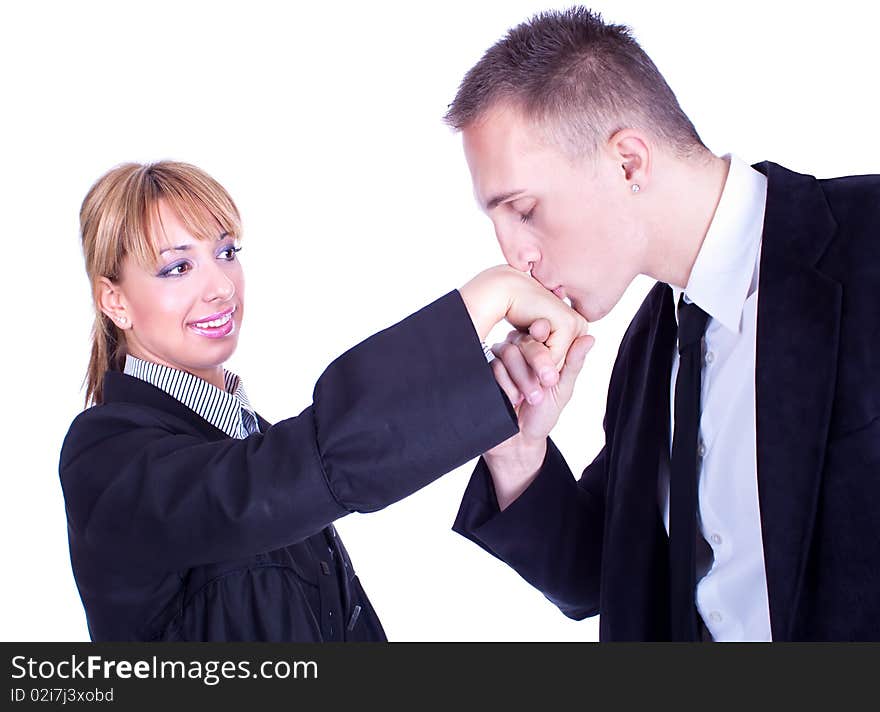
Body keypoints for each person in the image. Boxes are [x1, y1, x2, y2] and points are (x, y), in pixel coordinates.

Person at [445, 6, 880, 641]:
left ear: (628, 163)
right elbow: (604, 575)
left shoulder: (867, 244)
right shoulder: (651, 343)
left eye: (526, 210)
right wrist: (519, 454)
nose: (516, 257)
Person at [60, 160, 589, 642]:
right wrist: (486, 299)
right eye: (177, 268)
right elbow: (292, 472)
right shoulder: (106, 457)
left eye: (225, 253)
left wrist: (509, 433)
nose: (221, 286)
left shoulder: (255, 441)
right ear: (116, 301)